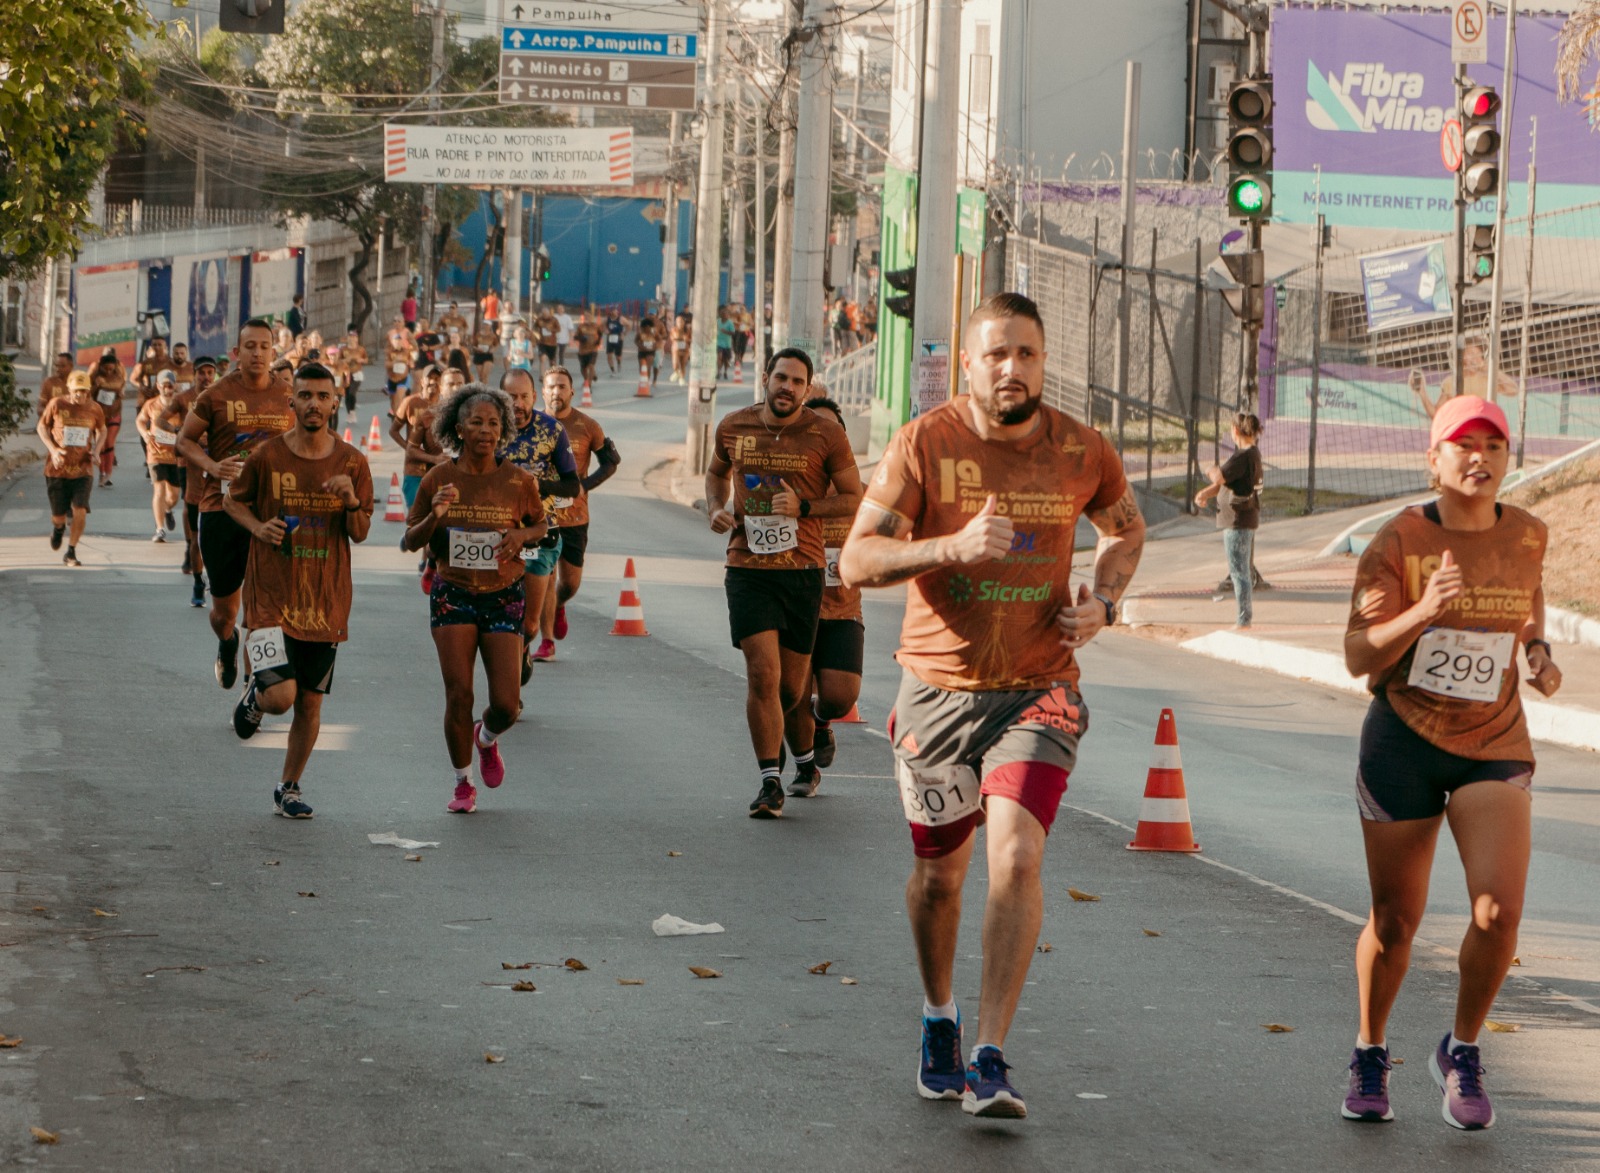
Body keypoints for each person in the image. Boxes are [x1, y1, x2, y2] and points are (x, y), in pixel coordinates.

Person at [837, 292, 1146, 1119]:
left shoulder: (1082, 448)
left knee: (1014, 858)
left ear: (1045, 361)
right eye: (997, 354)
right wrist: (951, 545)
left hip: (1039, 688)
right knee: (941, 877)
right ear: (968, 364)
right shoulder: (925, 443)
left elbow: (1125, 531)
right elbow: (855, 560)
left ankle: (991, 1054)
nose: (1014, 369)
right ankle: (940, 1015)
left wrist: (1104, 604)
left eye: (1029, 354)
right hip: (938, 690)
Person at [1339, 395, 1560, 1131]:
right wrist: (1421, 610)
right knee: (1395, 921)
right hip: (1403, 736)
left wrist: (1537, 649)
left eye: (1494, 444)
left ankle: (1461, 1048)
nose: (1480, 457)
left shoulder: (1528, 532)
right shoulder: (1397, 541)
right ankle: (1371, 1050)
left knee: (1497, 912)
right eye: (1463, 444)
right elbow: (1357, 656)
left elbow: (1526, 595)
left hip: (1492, 741)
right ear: (1433, 458)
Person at [705, 347, 863, 815]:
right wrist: (715, 507)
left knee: (793, 691)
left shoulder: (826, 434)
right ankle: (769, 781)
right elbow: (716, 473)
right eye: (780, 378)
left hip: (803, 571)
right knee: (762, 675)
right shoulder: (734, 426)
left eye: (797, 381)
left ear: (807, 388)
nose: (787, 387)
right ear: (765, 378)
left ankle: (806, 758)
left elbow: (853, 497)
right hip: (747, 569)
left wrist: (805, 508)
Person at [225, 362, 374, 819]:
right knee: (280, 697)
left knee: (309, 701)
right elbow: (233, 499)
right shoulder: (268, 456)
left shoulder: (353, 461)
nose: (313, 403)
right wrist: (257, 526)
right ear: (291, 402)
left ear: (334, 401)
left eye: (322, 396)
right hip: (270, 596)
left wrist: (350, 501)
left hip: (324, 604)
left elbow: (362, 531)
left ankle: (288, 787)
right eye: (305, 395)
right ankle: (255, 698)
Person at [403, 383, 548, 814]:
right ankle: (462, 782)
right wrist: (436, 516)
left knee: (508, 703)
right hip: (454, 593)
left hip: (503, 593)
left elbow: (539, 527)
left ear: (502, 431)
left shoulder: (519, 480)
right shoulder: (438, 478)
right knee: (458, 695)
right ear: (458, 429)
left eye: (493, 423)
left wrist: (521, 534)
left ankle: (485, 738)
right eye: (476, 422)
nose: (485, 430)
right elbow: (411, 539)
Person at [176, 319, 294, 690]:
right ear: (236, 353)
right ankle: (227, 644)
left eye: (264, 346)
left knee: (262, 610)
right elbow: (184, 441)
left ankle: (252, 685)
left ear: (274, 352)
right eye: (250, 346)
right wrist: (212, 465)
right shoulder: (215, 394)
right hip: (221, 510)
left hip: (271, 514)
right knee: (224, 614)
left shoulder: (290, 395)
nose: (257, 353)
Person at [499, 367, 581, 673]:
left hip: (540, 536)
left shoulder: (552, 430)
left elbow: (572, 486)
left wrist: (539, 485)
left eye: (523, 397)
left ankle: (522, 651)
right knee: (499, 619)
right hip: (499, 536)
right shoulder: (490, 428)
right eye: (511, 397)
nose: (518, 404)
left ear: (535, 397)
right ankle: (507, 675)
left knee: (530, 623)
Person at [540, 364, 620, 650]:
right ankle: (546, 641)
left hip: (575, 517)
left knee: (569, 584)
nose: (556, 391)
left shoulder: (587, 426)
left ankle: (559, 604)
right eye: (551, 386)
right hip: (540, 518)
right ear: (542, 391)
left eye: (562, 386)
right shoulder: (533, 427)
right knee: (545, 579)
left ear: (572, 391)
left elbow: (610, 462)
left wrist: (584, 487)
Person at [802, 393, 863, 769]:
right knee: (790, 693)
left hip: (842, 609)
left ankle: (820, 719)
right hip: (793, 604)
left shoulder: (862, 495)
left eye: (832, 430)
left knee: (840, 698)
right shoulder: (788, 487)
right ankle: (801, 767)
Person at [1194, 412, 1263, 629]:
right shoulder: (1252, 455)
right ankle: (1244, 618)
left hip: (1237, 521)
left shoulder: (1242, 456)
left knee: (1239, 571)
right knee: (1240, 570)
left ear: (1235, 430)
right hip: (1244, 518)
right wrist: (1205, 493)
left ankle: (1244, 620)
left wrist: (1209, 469)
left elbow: (1220, 477)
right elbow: (1226, 483)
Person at [37, 370, 106, 567]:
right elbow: (42, 427)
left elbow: (102, 429)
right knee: (59, 517)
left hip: (83, 469)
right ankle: (58, 529)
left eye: (83, 391)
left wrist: (97, 450)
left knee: (80, 510)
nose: (80, 395)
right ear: (69, 389)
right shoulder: (57, 404)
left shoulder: (94, 408)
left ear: (88, 391)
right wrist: (54, 450)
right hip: (57, 469)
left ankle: (71, 551)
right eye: (76, 391)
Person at [179, 356, 219, 606]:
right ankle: (197, 580)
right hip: (193, 477)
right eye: (201, 373)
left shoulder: (222, 398)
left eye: (210, 373)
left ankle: (216, 577)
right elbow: (167, 425)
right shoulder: (184, 400)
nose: (206, 377)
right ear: (194, 374)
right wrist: (175, 434)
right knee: (196, 538)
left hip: (218, 482)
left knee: (215, 539)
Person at [1408, 337, 1517, 419]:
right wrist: (1422, 392)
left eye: (1478, 354)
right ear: (1461, 357)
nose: (1476, 358)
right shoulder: (1450, 382)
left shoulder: (1487, 378)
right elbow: (1437, 415)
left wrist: (1489, 369)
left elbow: (1513, 390)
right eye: (1471, 353)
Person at [135, 370, 186, 542]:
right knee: (159, 490)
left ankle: (167, 510)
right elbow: (140, 420)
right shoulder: (151, 404)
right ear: (158, 386)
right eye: (164, 386)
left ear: (175, 386)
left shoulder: (181, 405)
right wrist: (145, 434)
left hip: (175, 456)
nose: (167, 389)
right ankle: (160, 529)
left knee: (173, 496)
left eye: (170, 386)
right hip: (156, 453)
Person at [390, 365, 449, 512]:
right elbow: (393, 431)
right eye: (430, 378)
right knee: (415, 517)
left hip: (438, 471)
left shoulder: (445, 407)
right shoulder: (410, 402)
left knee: (437, 518)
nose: (433, 382)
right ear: (422, 381)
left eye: (437, 379)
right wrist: (410, 448)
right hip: (414, 470)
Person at [339, 327, 369, 426]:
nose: (352, 339)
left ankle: (352, 412)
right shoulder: (343, 349)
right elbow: (338, 361)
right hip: (346, 374)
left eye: (354, 337)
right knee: (347, 394)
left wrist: (360, 360)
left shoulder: (361, 349)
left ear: (357, 339)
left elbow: (366, 360)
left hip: (357, 373)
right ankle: (349, 412)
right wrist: (346, 360)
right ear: (347, 338)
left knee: (352, 392)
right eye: (350, 337)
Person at [385, 317, 415, 401]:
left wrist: (410, 353)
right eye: (395, 321)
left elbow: (414, 345)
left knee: (404, 372)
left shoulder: (407, 332)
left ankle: (406, 387)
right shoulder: (390, 333)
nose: (397, 323)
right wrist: (388, 351)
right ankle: (387, 386)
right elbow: (387, 345)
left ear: (403, 323)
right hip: (393, 354)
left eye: (399, 321)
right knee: (390, 370)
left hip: (404, 355)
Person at [573, 311, 602, 396]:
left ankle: (589, 384)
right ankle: (586, 379)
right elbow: (575, 337)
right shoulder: (581, 327)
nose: (587, 319)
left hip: (593, 350)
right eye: (585, 317)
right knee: (583, 368)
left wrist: (598, 342)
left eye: (588, 317)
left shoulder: (596, 326)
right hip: (582, 351)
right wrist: (581, 338)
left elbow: (600, 335)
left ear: (591, 318)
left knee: (591, 366)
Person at [35, 352, 73, 416]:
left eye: (62, 366)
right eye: (56, 366)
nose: (58, 369)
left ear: (71, 366)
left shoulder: (78, 383)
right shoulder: (49, 382)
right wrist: (53, 413)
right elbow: (39, 409)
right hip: (52, 421)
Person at [471, 316, 499, 385]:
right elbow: (474, 345)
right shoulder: (478, 334)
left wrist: (493, 349)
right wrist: (477, 349)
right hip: (478, 355)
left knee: (485, 375)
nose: (486, 326)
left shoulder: (493, 335)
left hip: (488, 355)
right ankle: (482, 389)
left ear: (490, 326)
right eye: (484, 324)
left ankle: (486, 391)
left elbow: (496, 344)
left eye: (487, 325)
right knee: (480, 376)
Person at [636, 314, 660, 388]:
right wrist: (640, 346)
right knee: (642, 367)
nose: (647, 330)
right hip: (642, 351)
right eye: (645, 328)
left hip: (651, 351)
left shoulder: (654, 332)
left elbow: (659, 340)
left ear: (650, 327)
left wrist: (654, 347)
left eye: (648, 328)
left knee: (648, 366)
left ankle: (647, 381)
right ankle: (643, 379)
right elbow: (636, 340)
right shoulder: (640, 333)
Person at [535, 306, 560, 374]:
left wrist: (551, 330)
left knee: (552, 361)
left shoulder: (554, 320)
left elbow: (558, 329)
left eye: (546, 314)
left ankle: (553, 374)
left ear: (549, 313)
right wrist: (537, 333)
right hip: (542, 342)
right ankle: (542, 375)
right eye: (543, 314)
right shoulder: (539, 319)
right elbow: (535, 327)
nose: (545, 316)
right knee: (543, 358)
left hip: (552, 343)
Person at [716, 306, 736, 380]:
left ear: (728, 315)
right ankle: (718, 372)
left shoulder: (730, 323)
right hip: (719, 342)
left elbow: (733, 333)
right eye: (723, 314)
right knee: (719, 357)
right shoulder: (718, 321)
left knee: (726, 359)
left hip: (727, 344)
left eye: (726, 314)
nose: (724, 316)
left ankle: (725, 371)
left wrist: (726, 332)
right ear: (721, 315)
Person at [604, 309, 626, 373]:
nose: (617, 312)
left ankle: (619, 363)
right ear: (611, 312)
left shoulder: (621, 319)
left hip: (618, 339)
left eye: (617, 311)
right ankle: (612, 370)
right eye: (615, 311)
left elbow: (629, 325)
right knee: (609, 355)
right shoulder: (607, 319)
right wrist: (605, 330)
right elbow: (601, 326)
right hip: (610, 339)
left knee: (618, 356)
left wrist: (624, 333)